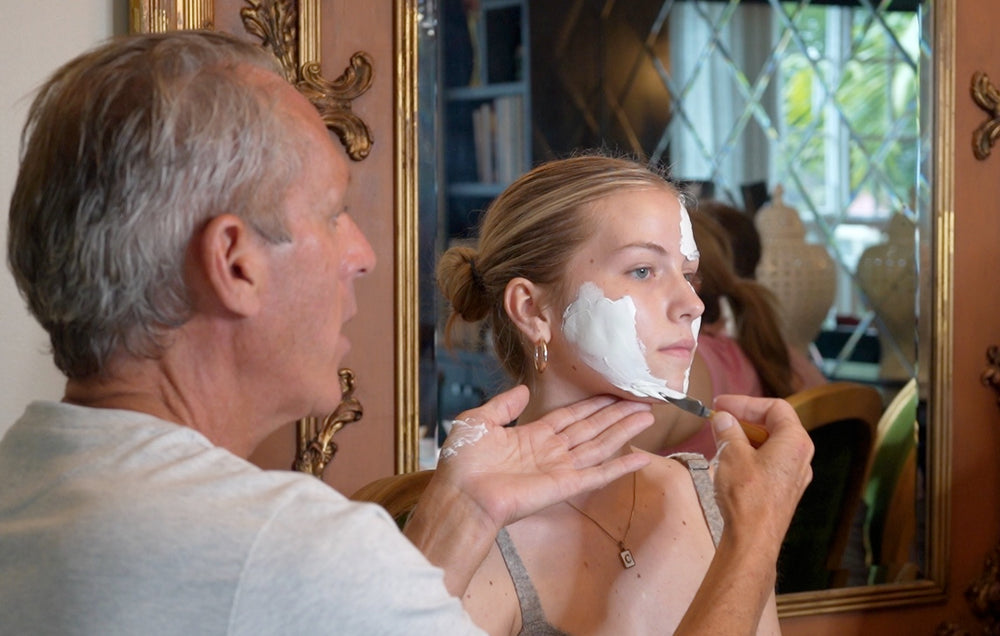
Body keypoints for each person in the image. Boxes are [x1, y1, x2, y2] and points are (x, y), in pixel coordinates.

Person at [0, 31, 811, 635]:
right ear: (234, 264)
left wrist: (451, 519)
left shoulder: (26, 497)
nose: (362, 254)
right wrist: (757, 538)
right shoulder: (297, 557)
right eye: (332, 214)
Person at [436, 154, 813, 634]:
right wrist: (757, 538)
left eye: (688, 274)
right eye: (642, 271)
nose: (693, 303)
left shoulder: (719, 498)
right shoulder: (476, 540)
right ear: (532, 310)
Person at [633, 205, 828, 459]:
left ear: (692, 282)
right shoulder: (770, 351)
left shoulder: (675, 369)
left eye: (641, 271)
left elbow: (594, 488)